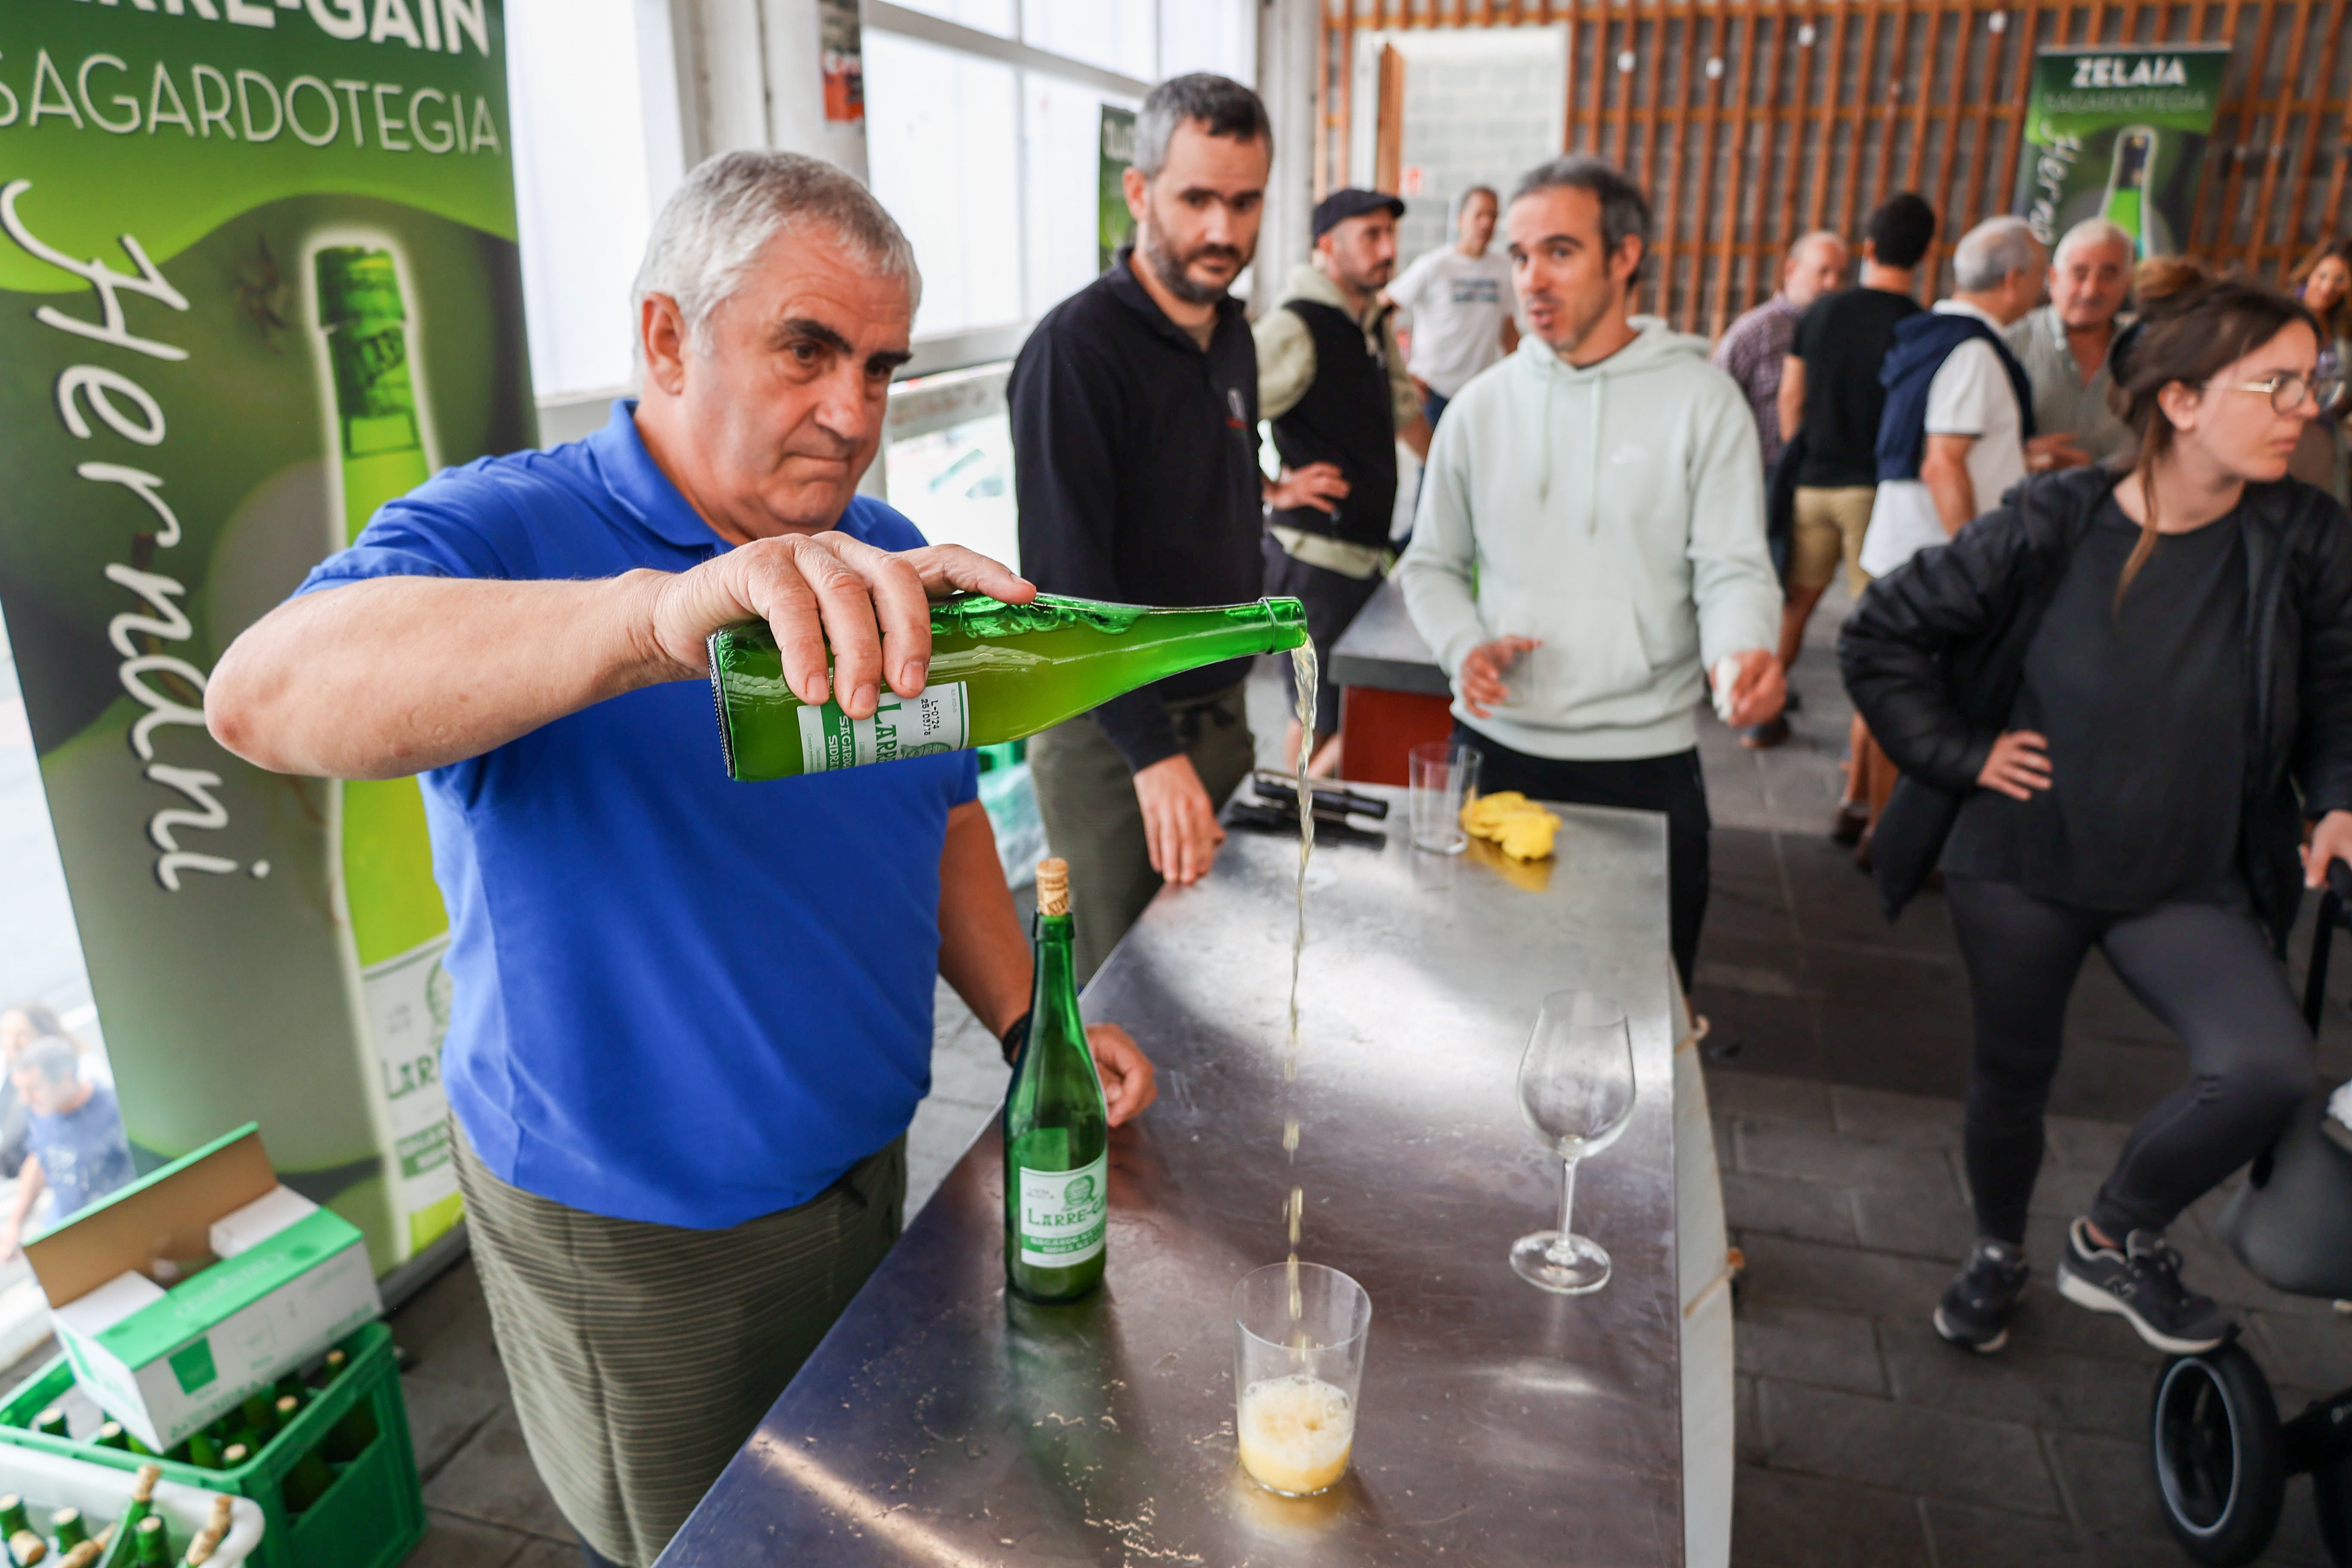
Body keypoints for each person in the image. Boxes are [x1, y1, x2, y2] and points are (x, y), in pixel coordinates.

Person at [205, 150, 1158, 1568]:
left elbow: (945, 813)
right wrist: (657, 618)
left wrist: (1032, 1020)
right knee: (697, 1540)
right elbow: (262, 695)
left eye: (882, 366)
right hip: (642, 1230)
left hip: (865, 1154)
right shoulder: (507, 529)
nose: (853, 413)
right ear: (667, 336)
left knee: (841, 1497)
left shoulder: (879, 548)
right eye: (806, 349)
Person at [1840, 275, 2352, 1357]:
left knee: (2262, 1066)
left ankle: (2108, 1232)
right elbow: (1882, 632)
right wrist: (1960, 752)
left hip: (2185, 874)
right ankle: (1993, 1250)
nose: (2303, 407)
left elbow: (2341, 684)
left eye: (2314, 383)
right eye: (2276, 384)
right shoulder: (2051, 522)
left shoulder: (2303, 535)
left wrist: (2339, 797)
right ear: (2178, 400)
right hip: (2021, 860)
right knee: (2010, 1076)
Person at [1395, 156, 1784, 988]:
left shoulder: (1701, 400)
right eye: (1521, 254)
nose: (1532, 278)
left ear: (1625, 257)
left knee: (1640, 1013)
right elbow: (1430, 565)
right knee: (1483, 994)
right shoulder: (1479, 408)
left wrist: (1740, 654)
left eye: (1561, 252)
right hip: (1495, 753)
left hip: (1644, 763)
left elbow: (1733, 568)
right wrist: (1465, 645)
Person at [1012, 74, 1317, 979]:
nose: (1224, 230)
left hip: (1220, 713)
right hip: (1115, 737)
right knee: (1126, 999)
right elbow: (1066, 578)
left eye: (1245, 200)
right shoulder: (1076, 352)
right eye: (1196, 199)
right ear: (1140, 192)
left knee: (1218, 982)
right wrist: (1151, 755)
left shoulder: (1233, 335)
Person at [1256, 187, 1433, 774]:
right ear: (1327, 246)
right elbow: (1214, 415)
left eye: (1391, 235)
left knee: (1354, 711)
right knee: (1316, 718)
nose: (1388, 249)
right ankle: (1293, 841)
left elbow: (1406, 414)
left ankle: (1313, 827)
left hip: (1361, 555)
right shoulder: (1297, 325)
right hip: (1312, 560)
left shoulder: (1371, 322)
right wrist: (1273, 489)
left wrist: (1455, 481)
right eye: (1371, 236)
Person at [1777, 193, 1935, 841]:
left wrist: (1801, 455)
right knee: (1876, 641)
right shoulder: (1921, 326)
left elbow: (1792, 394)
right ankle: (1856, 793)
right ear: (1926, 255)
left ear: (1867, 249)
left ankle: (1757, 711)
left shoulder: (1822, 313)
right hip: (1877, 494)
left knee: (1795, 608)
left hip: (1813, 482)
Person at [1711, 228, 1848, 747]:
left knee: (1792, 592)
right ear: (1791, 271)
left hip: (1813, 485)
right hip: (1760, 484)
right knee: (1761, 587)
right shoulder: (1757, 332)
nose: (1833, 283)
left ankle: (1763, 685)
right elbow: (1716, 407)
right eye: (1822, 272)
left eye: (1841, 273)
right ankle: (1748, 700)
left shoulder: (1840, 330)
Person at [1861, 216, 2051, 581]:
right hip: (1937, 563)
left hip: (1909, 550)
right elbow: (1943, 464)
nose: (2041, 287)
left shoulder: (1931, 332)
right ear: (2013, 279)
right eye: (2040, 273)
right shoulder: (1973, 351)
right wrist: (1974, 564)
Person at [2003, 217, 2135, 472]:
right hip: (2026, 503)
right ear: (2053, 277)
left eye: (2109, 275)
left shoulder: (2147, 354)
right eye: (2080, 274)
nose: (2091, 290)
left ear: (2127, 283)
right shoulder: (2010, 347)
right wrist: (2017, 455)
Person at [1386, 184, 1519, 429]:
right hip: (1433, 391)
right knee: (1433, 465)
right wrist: (1402, 374)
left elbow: (1508, 332)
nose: (1486, 223)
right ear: (1460, 219)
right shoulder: (1435, 265)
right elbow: (1382, 309)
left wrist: (1521, 380)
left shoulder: (1504, 270)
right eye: (1479, 215)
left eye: (1493, 216)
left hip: (1479, 392)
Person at [0, 1034, 134, 1259]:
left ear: (66, 1078)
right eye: (21, 1089)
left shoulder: (115, 1113)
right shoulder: (42, 1110)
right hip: (69, 1230)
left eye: (33, 1088)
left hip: (116, 1236)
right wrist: (16, 1225)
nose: (26, 1099)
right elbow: (40, 1159)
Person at [2288, 236, 2351, 502]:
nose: (2327, 287)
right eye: (2322, 275)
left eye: (2340, 279)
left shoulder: (2341, 330)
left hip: (2324, 438)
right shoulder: (2286, 315)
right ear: (2309, 273)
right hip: (2289, 427)